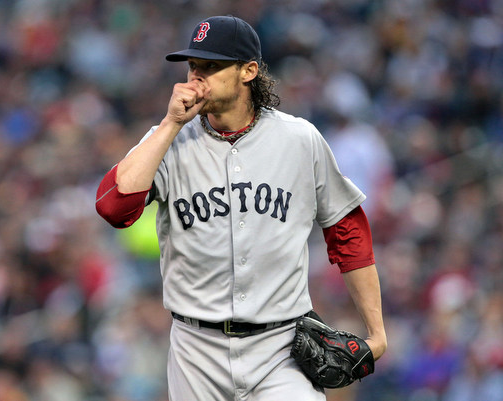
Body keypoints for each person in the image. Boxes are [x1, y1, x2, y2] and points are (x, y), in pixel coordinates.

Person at [96, 15, 387, 400]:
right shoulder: (168, 140)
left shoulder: (299, 139)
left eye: (212, 67)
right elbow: (114, 208)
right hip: (195, 350)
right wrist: (169, 125)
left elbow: (347, 230)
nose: (196, 78)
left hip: (281, 346)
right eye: (193, 66)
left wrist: (376, 331)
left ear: (249, 71)